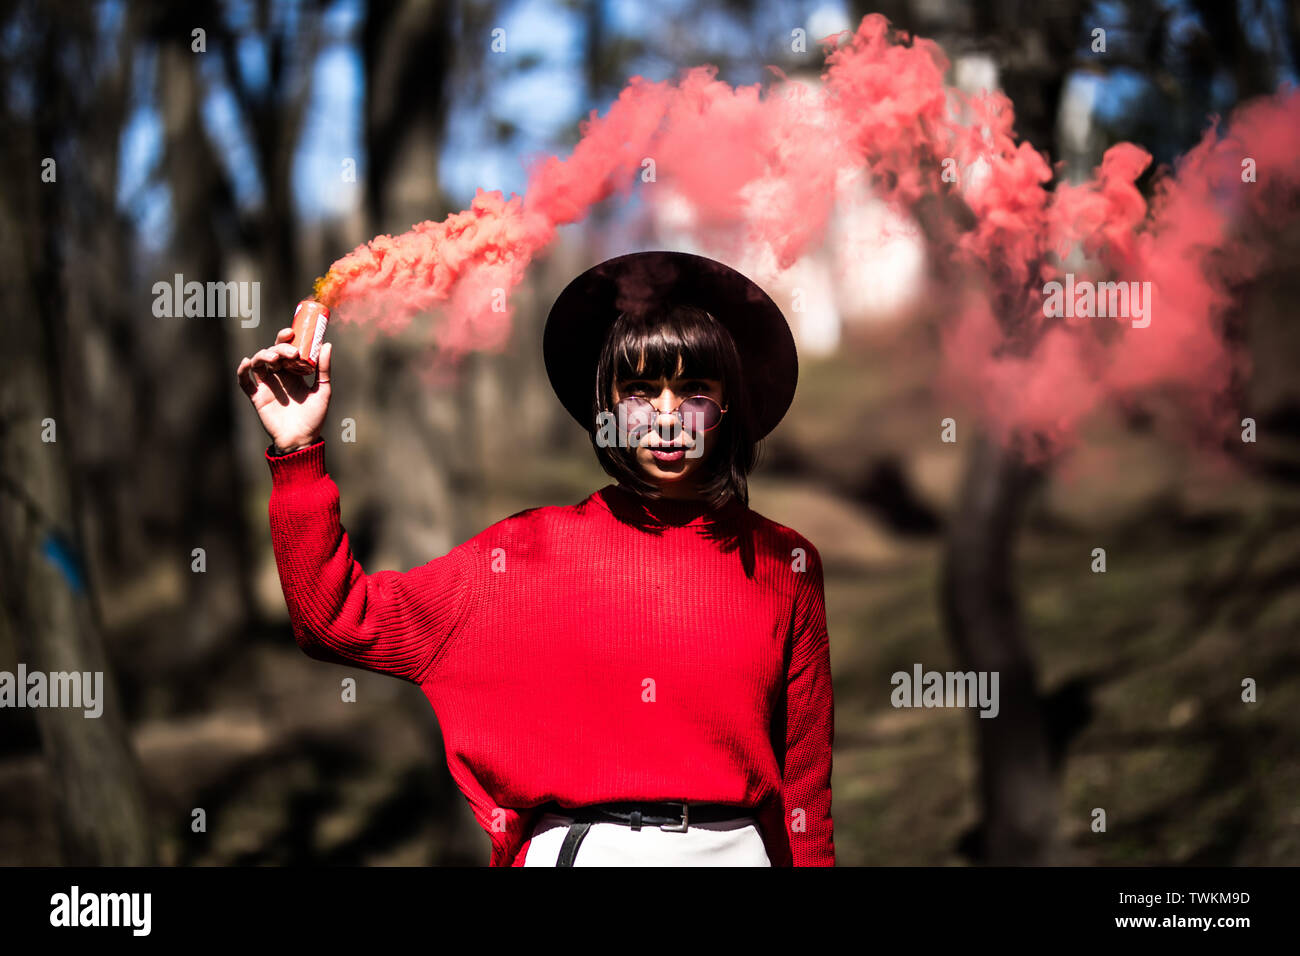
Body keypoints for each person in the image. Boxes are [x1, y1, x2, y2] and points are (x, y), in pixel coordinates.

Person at [236, 250, 834, 866]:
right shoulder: (522, 556)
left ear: (727, 405)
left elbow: (807, 796)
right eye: (638, 391)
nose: (665, 417)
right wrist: (298, 451)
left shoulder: (785, 564)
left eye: (694, 391)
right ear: (609, 408)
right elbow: (336, 620)